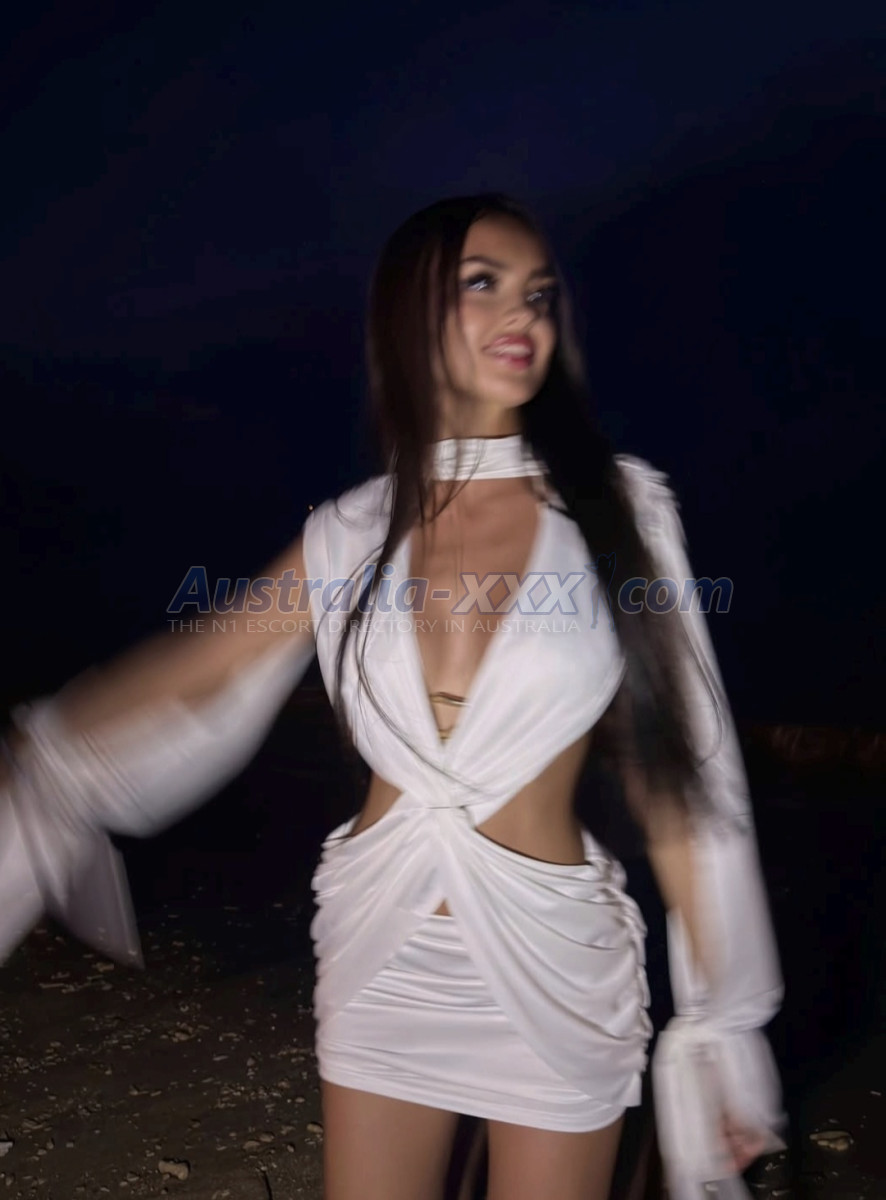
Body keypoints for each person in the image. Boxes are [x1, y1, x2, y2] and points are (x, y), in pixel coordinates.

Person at [0, 193, 785, 1200]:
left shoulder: (620, 512)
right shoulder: (348, 533)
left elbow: (682, 777)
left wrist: (723, 1016)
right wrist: (43, 754)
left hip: (554, 957)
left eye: (540, 293)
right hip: (384, 952)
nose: (524, 313)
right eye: (483, 283)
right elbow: (202, 664)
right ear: (408, 314)